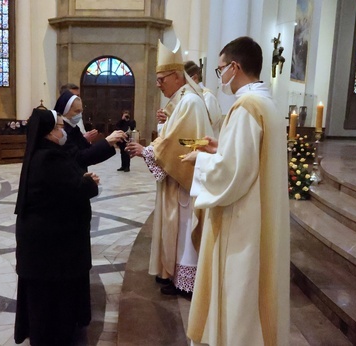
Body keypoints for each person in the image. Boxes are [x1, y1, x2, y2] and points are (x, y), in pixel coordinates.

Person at [182, 36, 290, 346]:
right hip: (262, 215)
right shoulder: (268, 104)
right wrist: (221, 148)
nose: (220, 78)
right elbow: (248, 159)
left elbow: (231, 174)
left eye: (220, 70)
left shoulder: (246, 107)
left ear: (234, 67)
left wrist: (200, 160)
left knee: (239, 294)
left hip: (243, 221)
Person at [126, 39, 213, 297]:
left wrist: (148, 151)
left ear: (177, 77)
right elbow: (177, 137)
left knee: (185, 227)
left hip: (185, 177)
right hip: (177, 174)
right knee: (175, 227)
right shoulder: (181, 100)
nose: (158, 84)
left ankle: (187, 282)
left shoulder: (190, 102)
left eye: (162, 79)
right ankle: (174, 275)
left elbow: (187, 141)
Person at [14, 108, 99, 345]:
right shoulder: (49, 158)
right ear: (49, 133)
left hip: (46, 243)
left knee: (47, 296)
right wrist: (90, 183)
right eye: (60, 128)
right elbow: (77, 189)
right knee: (50, 301)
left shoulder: (44, 153)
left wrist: (82, 181)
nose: (64, 132)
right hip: (50, 247)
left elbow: (65, 186)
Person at [54, 90, 126, 172]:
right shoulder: (61, 131)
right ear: (65, 111)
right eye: (76, 111)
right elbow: (79, 158)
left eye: (81, 111)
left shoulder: (73, 128)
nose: (79, 115)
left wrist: (110, 142)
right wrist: (107, 141)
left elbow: (89, 152)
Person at [184, 61, 223, 137]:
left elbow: (206, 125)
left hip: (207, 144)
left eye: (183, 79)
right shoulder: (188, 95)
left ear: (195, 78)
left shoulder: (208, 97)